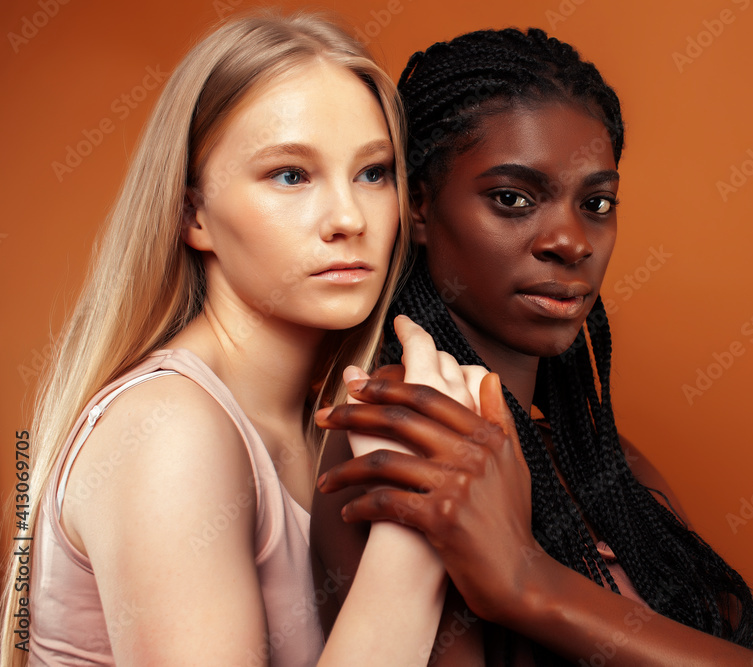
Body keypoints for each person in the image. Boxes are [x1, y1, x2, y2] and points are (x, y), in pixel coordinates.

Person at [312, 27, 753, 666]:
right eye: (513, 199)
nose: (571, 241)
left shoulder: (603, 457)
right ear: (421, 207)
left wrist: (529, 581)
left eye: (596, 202)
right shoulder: (404, 440)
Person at [1, 11, 462, 666]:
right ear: (193, 214)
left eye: (373, 172)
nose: (347, 218)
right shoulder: (168, 427)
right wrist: (413, 540)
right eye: (290, 175)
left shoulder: (323, 425)